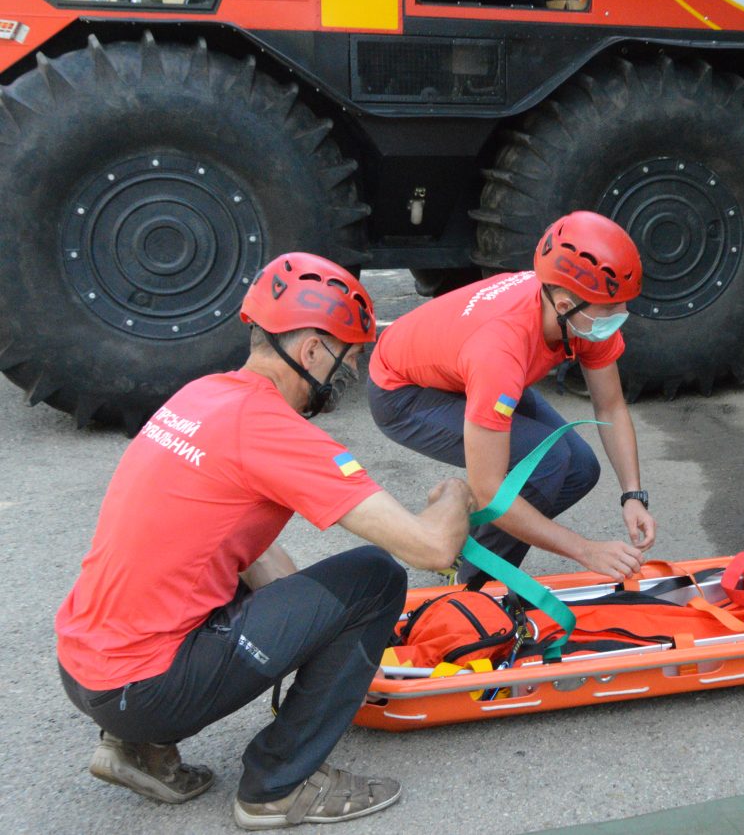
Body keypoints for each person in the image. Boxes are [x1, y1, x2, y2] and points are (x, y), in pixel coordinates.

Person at [56, 253, 475, 828]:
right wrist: (456, 494)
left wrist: (312, 632)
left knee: (279, 580)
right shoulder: (276, 430)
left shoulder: (204, 396)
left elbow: (248, 552)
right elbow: (433, 549)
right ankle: (278, 786)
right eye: (347, 358)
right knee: (376, 579)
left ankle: (133, 747)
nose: (347, 374)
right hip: (146, 690)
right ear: (310, 353)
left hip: (85, 671)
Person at [368, 210, 656, 585]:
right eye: (612, 307)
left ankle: (465, 543)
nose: (623, 315)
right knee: (548, 462)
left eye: (624, 302)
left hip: (463, 372)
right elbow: (489, 489)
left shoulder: (579, 311)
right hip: (404, 393)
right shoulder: (501, 350)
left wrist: (633, 495)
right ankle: (471, 583)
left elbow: (611, 406)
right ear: (566, 306)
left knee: (581, 470)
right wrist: (586, 550)